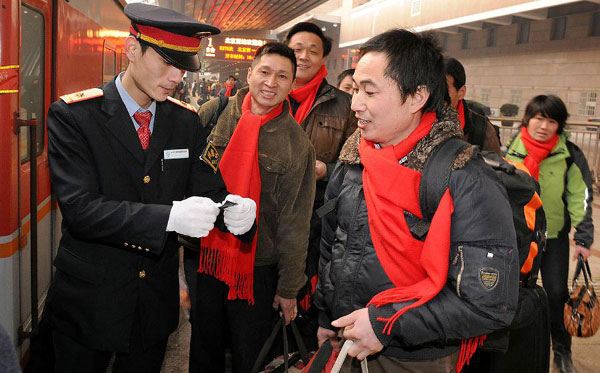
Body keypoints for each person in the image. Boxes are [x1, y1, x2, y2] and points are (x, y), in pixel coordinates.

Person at [43, 4, 256, 372]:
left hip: (152, 307)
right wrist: (169, 218)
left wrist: (233, 211)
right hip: (88, 301)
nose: (176, 77)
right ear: (131, 49)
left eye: (183, 67)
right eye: (166, 63)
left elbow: (207, 188)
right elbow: (81, 211)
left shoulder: (184, 122)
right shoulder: (74, 117)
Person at [314, 29, 520, 372]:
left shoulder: (464, 178)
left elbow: (488, 303)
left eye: (369, 91)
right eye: (354, 89)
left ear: (416, 97)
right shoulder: (354, 160)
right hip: (348, 337)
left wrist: (385, 324)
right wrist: (327, 315)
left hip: (415, 357)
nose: (355, 104)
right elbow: (333, 244)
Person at [188, 42, 316, 373]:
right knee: (203, 349)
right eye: (264, 72)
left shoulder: (296, 145)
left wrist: (289, 288)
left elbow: (295, 221)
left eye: (282, 76)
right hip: (206, 256)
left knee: (250, 355)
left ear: (291, 84)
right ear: (250, 73)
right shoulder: (214, 114)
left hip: (256, 269)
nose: (271, 83)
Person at [505, 95, 594, 373]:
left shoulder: (569, 153)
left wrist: (583, 237)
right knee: (516, 292)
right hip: (520, 235)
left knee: (556, 293)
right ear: (528, 119)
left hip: (554, 236)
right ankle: (517, 346)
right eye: (539, 118)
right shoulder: (513, 148)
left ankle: (562, 351)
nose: (543, 126)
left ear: (560, 125)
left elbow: (580, 196)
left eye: (552, 120)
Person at [285, 23, 357, 338]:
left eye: (313, 51)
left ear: (324, 57)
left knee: (304, 291)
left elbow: (355, 164)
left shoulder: (345, 105)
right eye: (297, 48)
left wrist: (326, 170)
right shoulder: (267, 92)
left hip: (316, 215)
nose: (303, 56)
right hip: (263, 211)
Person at [443, 57, 501, 153]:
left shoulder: (482, 130)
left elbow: (493, 165)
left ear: (461, 92)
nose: (436, 94)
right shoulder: (414, 120)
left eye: (444, 89)